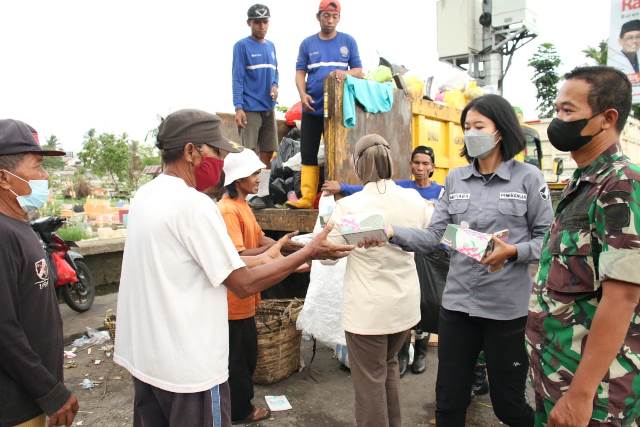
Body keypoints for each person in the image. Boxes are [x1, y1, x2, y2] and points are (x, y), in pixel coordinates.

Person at [113, 109, 353, 427]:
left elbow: (215, 263)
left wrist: (283, 256)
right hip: (189, 372)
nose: (222, 162)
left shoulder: (145, 196)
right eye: (217, 152)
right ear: (190, 152)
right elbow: (243, 283)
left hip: (147, 362)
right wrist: (309, 251)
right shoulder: (195, 205)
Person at [378, 94, 553, 427]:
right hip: (458, 308)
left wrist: (513, 251)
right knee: (448, 403)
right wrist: (389, 232)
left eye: (479, 126)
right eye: (466, 127)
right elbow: (435, 237)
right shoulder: (455, 180)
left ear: (500, 130)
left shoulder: (528, 178)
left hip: (505, 310)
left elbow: (548, 240)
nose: (471, 133)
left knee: (508, 405)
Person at [526, 66, 640, 427]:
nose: (557, 120)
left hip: (596, 395)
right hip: (556, 376)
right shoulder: (582, 184)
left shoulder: (620, 185)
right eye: (557, 110)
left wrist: (580, 394)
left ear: (607, 118)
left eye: (568, 111)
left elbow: (622, 298)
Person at [329, 134, 433, 427]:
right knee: (386, 367)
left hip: (368, 311)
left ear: (359, 165)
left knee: (369, 382)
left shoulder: (350, 206)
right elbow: (435, 236)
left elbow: (327, 254)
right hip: (404, 308)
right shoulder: (413, 199)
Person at [0, 119, 79, 427]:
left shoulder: (19, 225)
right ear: (4, 177)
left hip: (32, 396)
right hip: (15, 404)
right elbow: (4, 329)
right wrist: (50, 391)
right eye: (38, 166)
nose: (45, 176)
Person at [218, 148, 298, 424]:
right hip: (233, 301)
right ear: (238, 178)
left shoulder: (243, 205)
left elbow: (261, 240)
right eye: (253, 174)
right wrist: (279, 254)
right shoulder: (228, 210)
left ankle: (237, 407)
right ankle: (241, 411)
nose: (258, 178)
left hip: (247, 299)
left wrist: (293, 248)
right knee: (238, 361)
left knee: (246, 356)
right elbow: (239, 255)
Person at [287, 0, 363, 209]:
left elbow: (358, 70)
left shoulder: (348, 41)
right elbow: (300, 72)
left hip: (337, 111)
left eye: (334, 17)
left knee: (337, 153)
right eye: (326, 16)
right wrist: (302, 94)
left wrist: (344, 73)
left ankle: (338, 197)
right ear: (318, 17)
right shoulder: (307, 44)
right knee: (309, 152)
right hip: (312, 108)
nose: (330, 20)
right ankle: (307, 197)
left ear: (339, 18)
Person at [232, 3, 279, 167]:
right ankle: (249, 192)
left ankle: (263, 190)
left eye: (265, 22)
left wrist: (275, 85)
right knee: (249, 153)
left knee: (268, 150)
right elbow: (237, 77)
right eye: (257, 22)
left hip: (268, 108)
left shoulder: (271, 46)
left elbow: (275, 71)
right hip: (250, 108)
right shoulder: (242, 46)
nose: (262, 26)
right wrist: (238, 107)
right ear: (249, 23)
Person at [321, 145, 444, 201]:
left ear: (433, 167)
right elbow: (373, 189)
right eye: (416, 163)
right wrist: (341, 187)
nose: (420, 168)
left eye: (425, 164)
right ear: (410, 165)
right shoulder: (401, 187)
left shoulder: (442, 192)